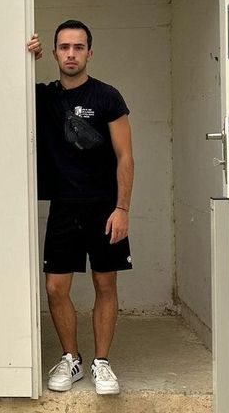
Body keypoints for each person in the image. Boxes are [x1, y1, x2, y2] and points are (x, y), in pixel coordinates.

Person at [26, 20, 133, 396]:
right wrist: (25, 56)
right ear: (54, 52)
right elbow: (0, 81)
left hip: (104, 207)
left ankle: (101, 361)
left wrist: (122, 208)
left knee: (105, 283)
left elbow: (125, 157)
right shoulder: (43, 97)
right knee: (56, 287)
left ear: (89, 52)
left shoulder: (107, 97)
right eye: (64, 47)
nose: (71, 53)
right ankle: (71, 358)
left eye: (78, 47)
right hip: (63, 206)